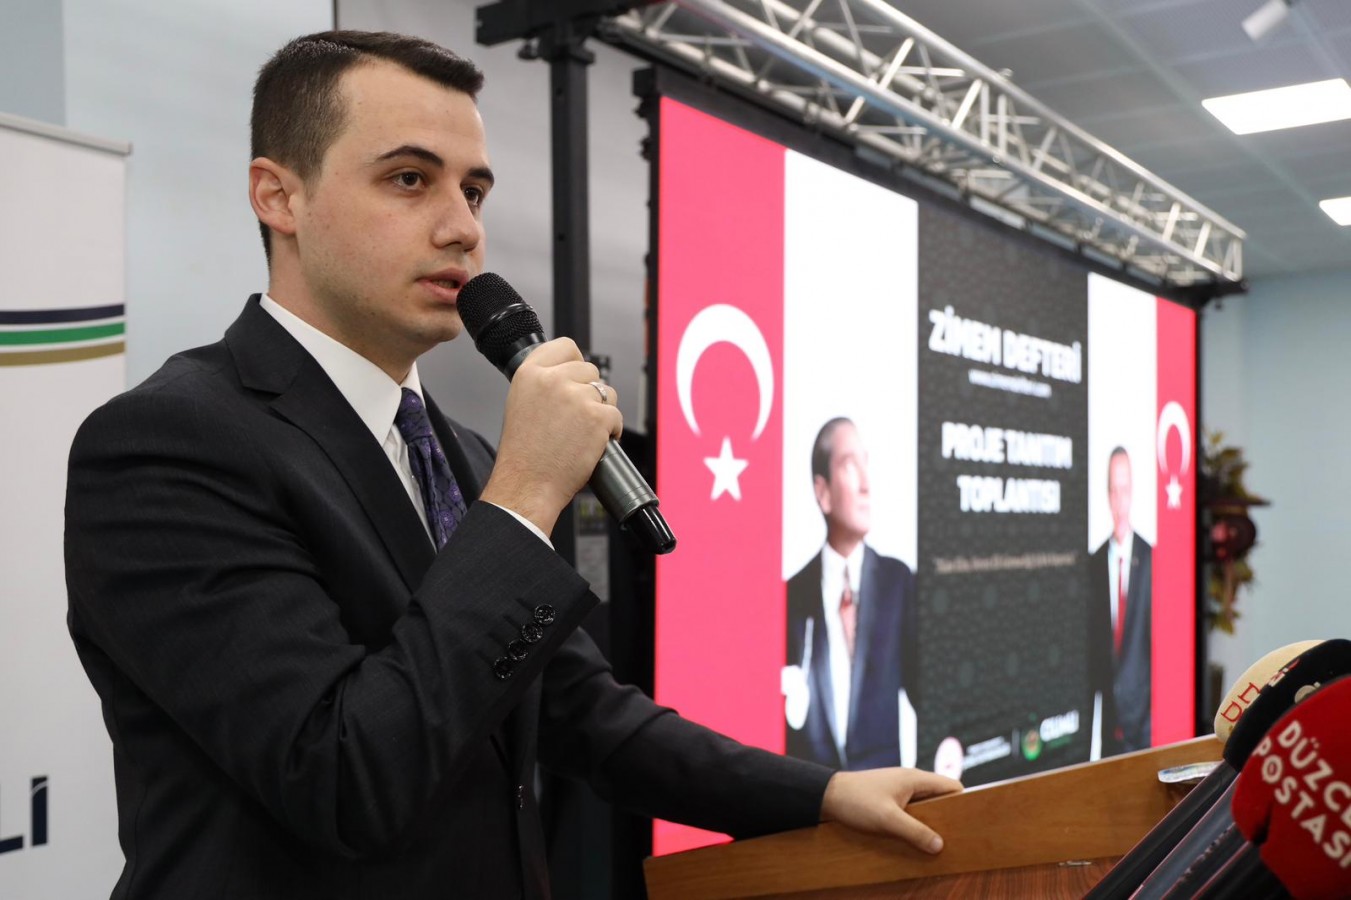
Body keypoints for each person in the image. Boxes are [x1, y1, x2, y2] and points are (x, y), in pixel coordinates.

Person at [62, 31, 961, 899]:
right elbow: (341, 772)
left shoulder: (460, 452)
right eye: (409, 179)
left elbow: (581, 712)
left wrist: (818, 793)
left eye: (475, 191)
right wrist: (527, 494)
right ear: (278, 197)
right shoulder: (167, 445)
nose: (462, 229)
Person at [784, 417, 917, 771]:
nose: (866, 485)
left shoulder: (898, 582)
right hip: (815, 795)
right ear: (823, 492)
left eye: (866, 464)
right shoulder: (791, 595)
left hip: (884, 792)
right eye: (849, 465)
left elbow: (928, 693)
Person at [1088, 446, 1153, 755]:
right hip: (1109, 731)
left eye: (1124, 490)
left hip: (1146, 728)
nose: (1119, 499)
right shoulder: (1094, 563)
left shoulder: (1152, 560)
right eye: (1113, 490)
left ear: (1133, 492)